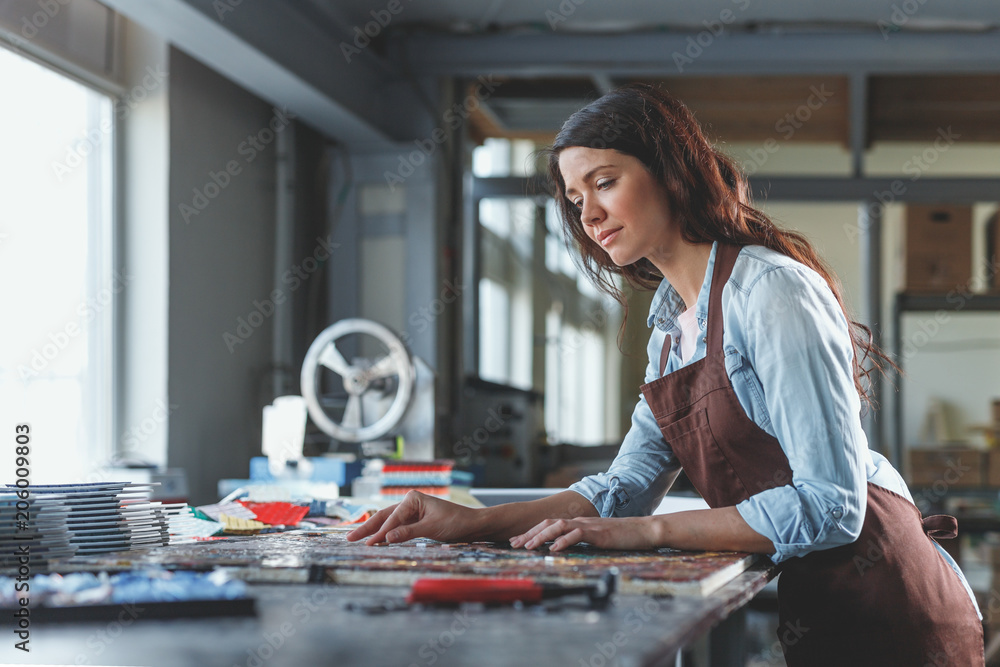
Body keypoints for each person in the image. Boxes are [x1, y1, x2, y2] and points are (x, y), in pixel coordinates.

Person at [348, 84, 984, 665]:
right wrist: (472, 521)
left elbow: (831, 507)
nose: (588, 216)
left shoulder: (772, 290)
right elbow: (625, 486)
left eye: (604, 181)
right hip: (823, 597)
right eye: (575, 198)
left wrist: (647, 533)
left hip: (892, 595)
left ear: (671, 171)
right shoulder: (671, 330)